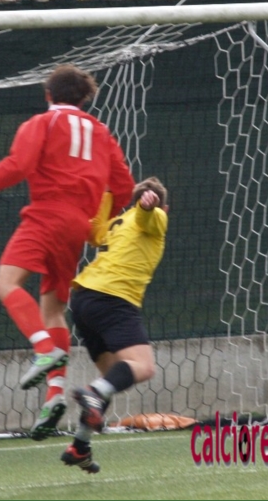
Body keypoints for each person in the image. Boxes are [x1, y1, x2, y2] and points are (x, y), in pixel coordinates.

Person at [0, 64, 135, 441]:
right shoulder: (100, 131)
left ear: (48, 94)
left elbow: (19, 165)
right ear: (84, 99)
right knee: (53, 309)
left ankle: (44, 349)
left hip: (46, 214)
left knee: (5, 284)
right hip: (78, 225)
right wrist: (102, 221)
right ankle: (54, 396)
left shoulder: (42, 123)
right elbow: (124, 185)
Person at [61, 176, 169, 474]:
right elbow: (149, 216)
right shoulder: (156, 218)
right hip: (113, 298)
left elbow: (93, 231)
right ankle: (93, 393)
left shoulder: (117, 223)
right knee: (143, 367)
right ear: (165, 208)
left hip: (83, 300)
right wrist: (149, 206)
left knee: (111, 376)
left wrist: (107, 193)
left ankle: (80, 446)